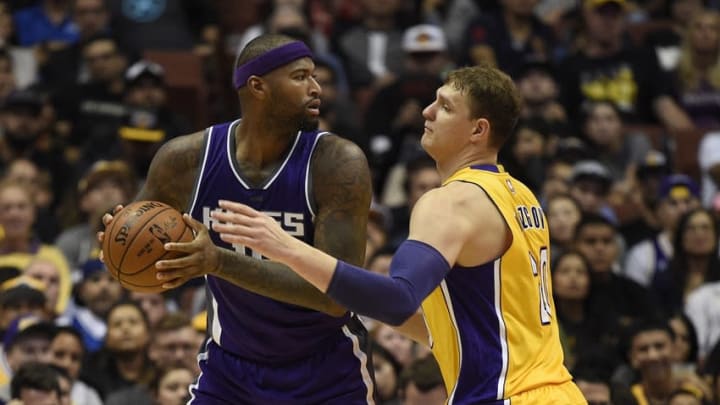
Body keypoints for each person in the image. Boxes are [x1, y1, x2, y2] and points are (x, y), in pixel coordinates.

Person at [212, 65, 586, 403]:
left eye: (445, 106)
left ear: (478, 130)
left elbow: (398, 299)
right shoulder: (523, 197)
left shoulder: (450, 202)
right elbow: (449, 328)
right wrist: (337, 298)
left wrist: (285, 247)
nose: (427, 111)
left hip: (506, 395)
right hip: (560, 392)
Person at [98, 34, 375, 403]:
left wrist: (218, 261)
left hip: (325, 371)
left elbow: (338, 294)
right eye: (300, 76)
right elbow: (141, 250)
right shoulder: (185, 160)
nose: (316, 87)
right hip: (230, 370)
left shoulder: (338, 163)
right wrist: (116, 250)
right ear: (258, 87)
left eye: (315, 76)